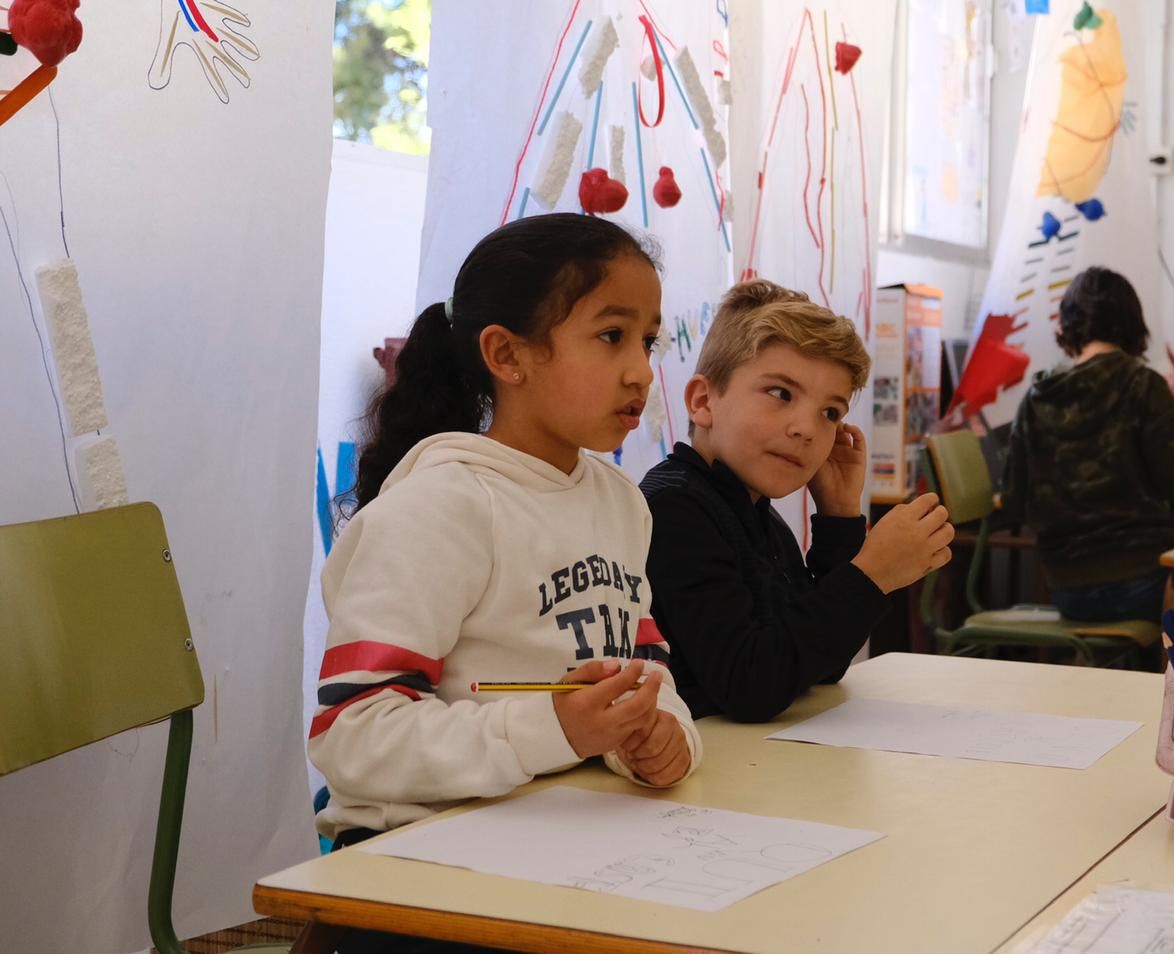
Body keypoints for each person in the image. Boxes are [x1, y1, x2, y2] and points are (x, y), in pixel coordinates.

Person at [310, 216, 702, 953]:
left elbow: (649, 671)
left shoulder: (619, 501)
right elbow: (352, 732)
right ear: (507, 355)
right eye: (611, 336)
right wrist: (557, 730)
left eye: (647, 341)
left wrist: (659, 737)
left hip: (562, 851)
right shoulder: (442, 506)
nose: (642, 371)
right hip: (420, 880)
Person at [640, 280, 955, 721]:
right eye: (781, 394)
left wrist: (839, 518)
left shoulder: (759, 516)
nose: (806, 428)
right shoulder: (673, 509)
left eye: (830, 412)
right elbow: (751, 686)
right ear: (702, 401)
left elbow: (823, 665)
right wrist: (872, 573)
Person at [1006, 266, 1174, 623]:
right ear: (1133, 323)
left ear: (1067, 326)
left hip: (1064, 589)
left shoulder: (1036, 398)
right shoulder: (1144, 386)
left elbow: (1014, 499)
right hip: (1144, 581)